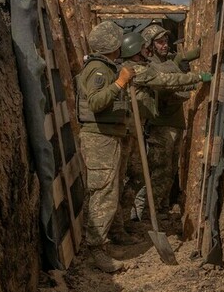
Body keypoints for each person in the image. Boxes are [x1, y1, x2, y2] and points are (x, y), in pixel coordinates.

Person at [119, 31, 211, 222]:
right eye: (159, 42)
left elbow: (183, 57)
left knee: (165, 170)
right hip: (157, 124)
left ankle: (156, 209)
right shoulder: (144, 68)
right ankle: (142, 213)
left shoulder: (167, 62)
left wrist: (205, 46)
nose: (164, 45)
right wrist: (197, 78)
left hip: (170, 121)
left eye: (166, 41)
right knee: (155, 170)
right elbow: (166, 82)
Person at [76, 20, 136, 273]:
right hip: (99, 138)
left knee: (109, 192)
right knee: (102, 194)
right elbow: (97, 102)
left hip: (108, 136)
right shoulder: (98, 69)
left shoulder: (106, 67)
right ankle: (96, 249)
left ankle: (103, 243)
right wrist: (120, 83)